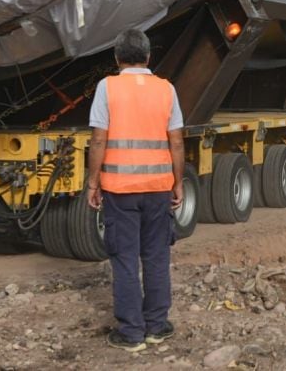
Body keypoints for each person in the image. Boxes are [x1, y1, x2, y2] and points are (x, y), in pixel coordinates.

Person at [86, 29, 185, 352]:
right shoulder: (166, 89)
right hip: (158, 188)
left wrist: (92, 182)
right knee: (156, 256)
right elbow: (177, 141)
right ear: (148, 57)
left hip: (119, 190)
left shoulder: (107, 87)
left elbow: (99, 139)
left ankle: (131, 333)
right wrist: (178, 182)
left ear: (117, 59)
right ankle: (157, 327)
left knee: (125, 258)